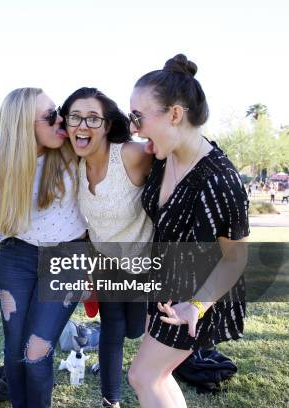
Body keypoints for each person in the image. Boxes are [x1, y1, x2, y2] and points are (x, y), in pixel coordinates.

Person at [126, 54, 249, 407]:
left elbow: (236, 256)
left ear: (175, 114)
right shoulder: (163, 156)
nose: (134, 126)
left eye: (138, 116)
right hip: (165, 287)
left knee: (144, 376)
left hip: (198, 295)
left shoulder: (219, 178)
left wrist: (196, 305)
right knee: (157, 377)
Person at [0, 88, 87, 408]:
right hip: (15, 256)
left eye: (58, 111)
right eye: (50, 115)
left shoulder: (74, 148)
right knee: (14, 351)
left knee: (36, 352)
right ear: (24, 126)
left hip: (67, 257)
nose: (61, 120)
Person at [60, 87, 153, 408]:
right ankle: (110, 401)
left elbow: (174, 156)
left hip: (146, 262)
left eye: (93, 118)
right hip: (106, 264)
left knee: (132, 330)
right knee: (113, 329)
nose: (82, 125)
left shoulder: (131, 155)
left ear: (108, 125)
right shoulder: (73, 166)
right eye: (75, 117)